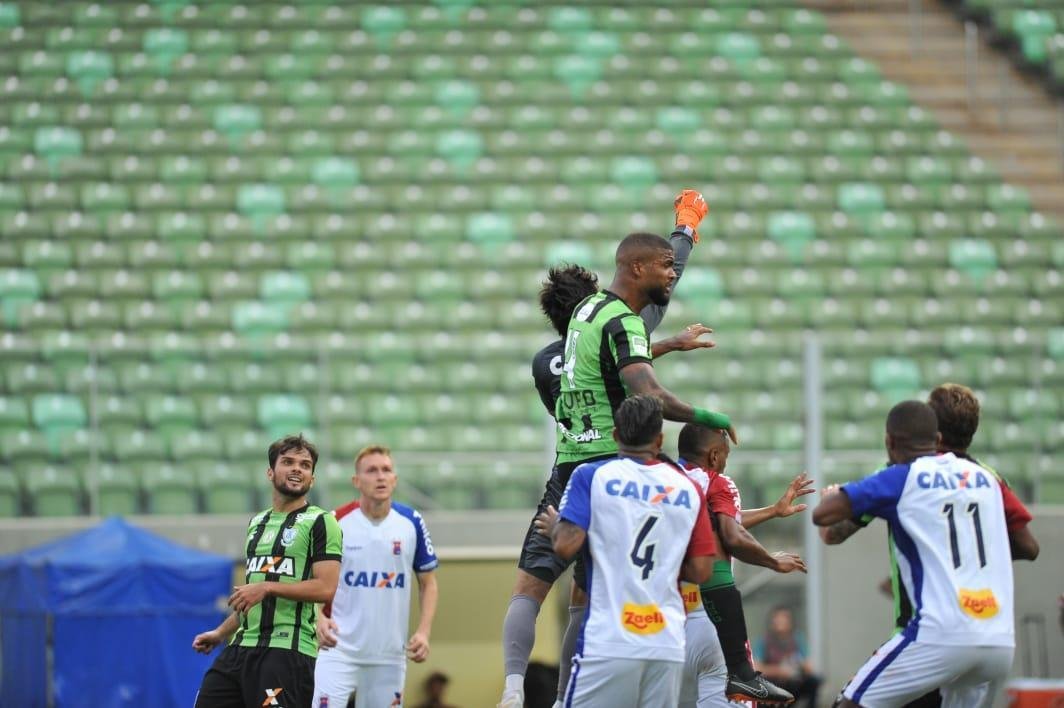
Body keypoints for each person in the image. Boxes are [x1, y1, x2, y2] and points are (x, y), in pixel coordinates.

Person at [502, 190, 724, 708]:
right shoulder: (621, 321)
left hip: (568, 467)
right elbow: (658, 299)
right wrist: (685, 228)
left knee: (529, 587)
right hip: (613, 468)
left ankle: (513, 687)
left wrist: (663, 346)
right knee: (593, 593)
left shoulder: (546, 359)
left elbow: (586, 380)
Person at [819, 383, 1038, 708]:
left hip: (926, 633)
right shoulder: (988, 477)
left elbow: (833, 532)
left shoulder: (903, 473)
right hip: (992, 634)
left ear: (932, 430)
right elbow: (1029, 546)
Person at [550, 395, 717, 707]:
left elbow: (564, 545)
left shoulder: (592, 476)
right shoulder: (688, 489)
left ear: (615, 435)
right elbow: (701, 571)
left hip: (608, 641)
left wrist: (555, 527)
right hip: (666, 642)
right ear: (659, 440)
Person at [192, 434, 342, 708]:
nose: (297, 469)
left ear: (312, 479)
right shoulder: (257, 523)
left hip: (287, 652)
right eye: (288, 462)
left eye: (305, 465)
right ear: (270, 472)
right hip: (241, 647)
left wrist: (267, 587)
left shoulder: (322, 522)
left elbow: (326, 588)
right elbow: (252, 599)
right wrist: (220, 633)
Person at [676, 423, 810, 706]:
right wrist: (773, 561)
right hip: (712, 620)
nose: (725, 461)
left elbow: (716, 521)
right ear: (714, 455)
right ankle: (744, 677)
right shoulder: (717, 482)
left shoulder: (663, 481)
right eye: (725, 454)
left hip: (660, 625)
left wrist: (773, 511)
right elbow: (731, 534)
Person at [313, 445, 439, 708]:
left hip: (389, 656)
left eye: (386, 470)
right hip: (337, 649)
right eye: (371, 470)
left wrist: (424, 632)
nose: (380, 476)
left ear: (395, 478)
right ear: (356, 481)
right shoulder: (335, 521)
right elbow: (310, 578)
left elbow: (428, 583)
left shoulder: (412, 521)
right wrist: (318, 617)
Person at [753, 606, 822, 708]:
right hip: (772, 684)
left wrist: (800, 666)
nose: (780, 622)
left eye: (784, 618)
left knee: (814, 681)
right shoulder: (763, 641)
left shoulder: (797, 639)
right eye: (777, 619)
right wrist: (780, 670)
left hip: (793, 683)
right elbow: (756, 668)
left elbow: (808, 666)